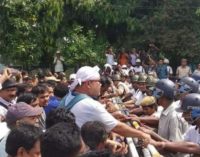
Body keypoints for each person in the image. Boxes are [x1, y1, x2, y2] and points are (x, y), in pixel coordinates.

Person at [59, 66, 151, 145]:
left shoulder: (68, 96)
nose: (100, 84)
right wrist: (142, 135)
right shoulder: (89, 104)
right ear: (88, 84)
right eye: (98, 81)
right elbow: (118, 127)